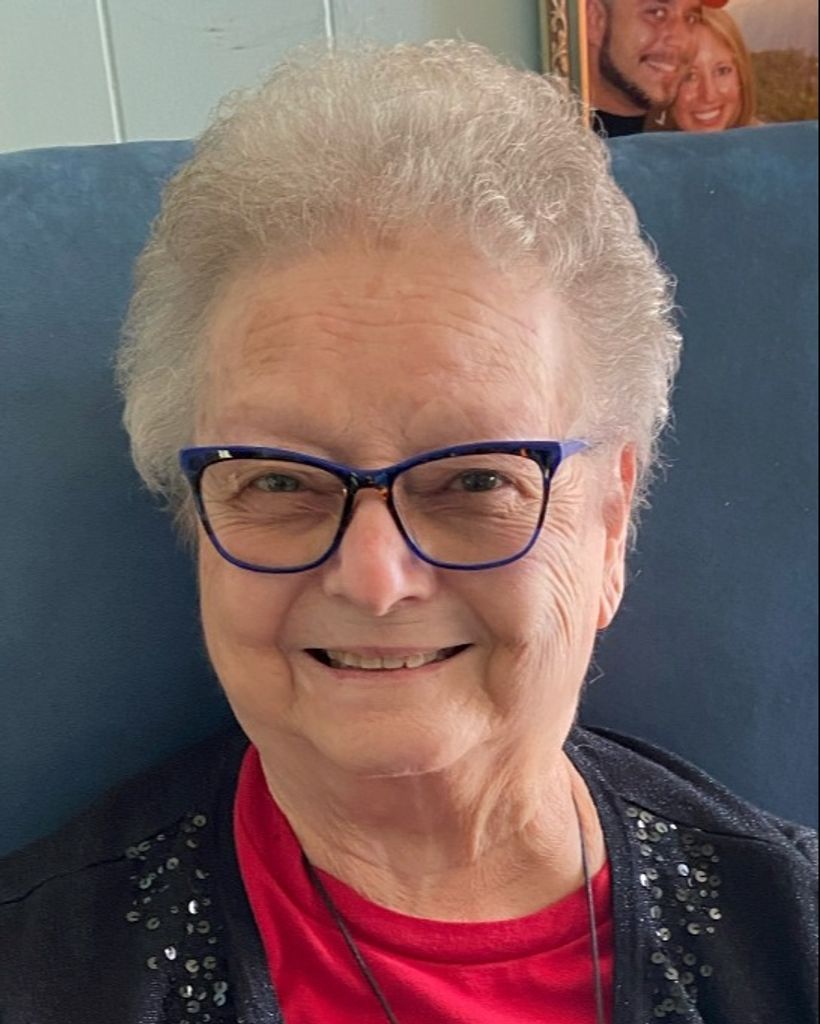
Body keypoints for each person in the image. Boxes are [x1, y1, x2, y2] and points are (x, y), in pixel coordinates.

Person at [0, 41, 816, 1024]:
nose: (374, 578)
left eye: (476, 479)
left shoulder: (793, 933)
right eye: (277, 479)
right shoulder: (39, 972)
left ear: (609, 526)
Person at [586, 0, 729, 137]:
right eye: (657, 13)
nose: (681, 42)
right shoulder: (576, 145)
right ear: (595, 20)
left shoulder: (683, 141)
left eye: (690, 18)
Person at [665, 6, 760, 131]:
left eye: (722, 71)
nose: (709, 96)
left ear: (741, 75)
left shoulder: (772, 141)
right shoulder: (641, 142)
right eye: (689, 76)